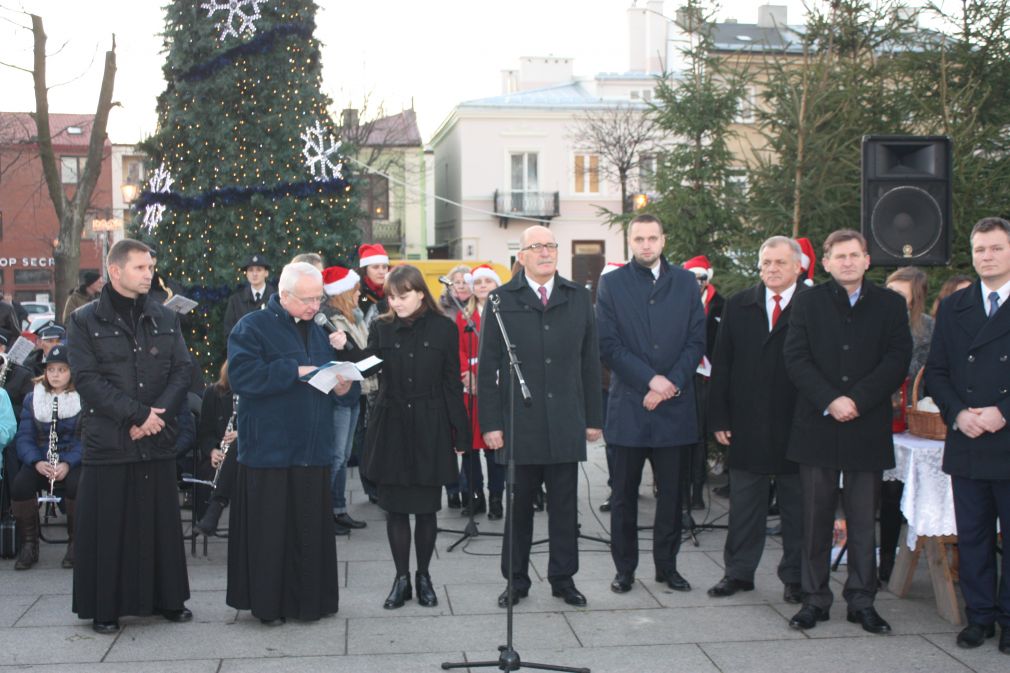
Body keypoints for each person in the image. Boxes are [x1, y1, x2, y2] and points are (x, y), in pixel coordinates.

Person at [782, 229, 911, 634]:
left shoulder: (890, 304)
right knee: (815, 518)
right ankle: (814, 599)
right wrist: (830, 399)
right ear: (828, 261)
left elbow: (897, 358)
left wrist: (857, 399)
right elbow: (796, 357)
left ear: (867, 260)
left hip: (866, 423)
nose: (848, 262)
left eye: (855, 255)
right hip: (818, 424)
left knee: (861, 519)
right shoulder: (808, 302)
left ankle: (861, 600)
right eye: (840, 256)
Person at [67, 238, 194, 635]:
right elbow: (87, 380)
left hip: (156, 439)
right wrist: (137, 415)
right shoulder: (85, 319)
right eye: (140, 267)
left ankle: (168, 600)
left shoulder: (164, 316)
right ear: (115, 270)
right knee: (109, 527)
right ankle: (106, 607)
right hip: (111, 441)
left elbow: (182, 370)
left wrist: (156, 417)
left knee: (160, 524)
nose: (149, 274)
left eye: (151, 267)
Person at [478, 225, 603, 608]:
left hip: (565, 418)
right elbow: (488, 367)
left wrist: (593, 418)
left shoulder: (578, 296)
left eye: (551, 245)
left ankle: (563, 579)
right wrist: (491, 424)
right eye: (537, 247)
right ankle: (516, 580)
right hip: (521, 422)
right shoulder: (500, 300)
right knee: (518, 508)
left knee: (565, 507)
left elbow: (590, 361)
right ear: (522, 256)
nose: (546, 252)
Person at [226, 261, 349, 625]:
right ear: (284, 296)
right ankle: (270, 605)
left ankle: (311, 601)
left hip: (312, 446)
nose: (315, 306)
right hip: (271, 449)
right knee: (272, 531)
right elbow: (243, 377)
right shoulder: (251, 326)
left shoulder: (318, 330)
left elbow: (327, 375)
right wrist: (293, 371)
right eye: (308, 299)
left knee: (309, 527)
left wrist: (341, 384)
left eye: (319, 298)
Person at [596, 215, 706, 594]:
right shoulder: (611, 284)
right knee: (624, 496)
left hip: (675, 408)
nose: (646, 245)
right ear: (630, 241)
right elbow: (608, 344)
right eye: (639, 238)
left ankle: (667, 567)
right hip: (629, 406)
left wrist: (669, 383)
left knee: (672, 495)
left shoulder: (686, 283)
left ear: (663, 240)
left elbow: (696, 340)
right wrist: (650, 380)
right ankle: (624, 569)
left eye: (652, 238)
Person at [358, 265, 469, 608]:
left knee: (425, 509)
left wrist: (460, 433)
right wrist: (343, 352)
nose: (396, 302)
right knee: (395, 510)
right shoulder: (381, 327)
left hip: (430, 426)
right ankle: (401, 578)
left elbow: (452, 383)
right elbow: (367, 367)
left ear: (421, 292)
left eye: (402, 295)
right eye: (391, 296)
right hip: (391, 425)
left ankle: (424, 576)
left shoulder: (444, 329)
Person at [925, 217, 1010, 654]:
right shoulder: (956, 306)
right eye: (980, 250)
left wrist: (1003, 412)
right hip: (968, 436)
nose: (987, 257)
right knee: (973, 535)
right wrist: (958, 414)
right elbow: (936, 372)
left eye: (995, 248)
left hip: (1007, 434)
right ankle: (980, 617)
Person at [707, 236, 806, 603]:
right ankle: (738, 572)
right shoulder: (739, 304)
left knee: (797, 508)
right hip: (747, 423)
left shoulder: (813, 305)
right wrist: (719, 416)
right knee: (745, 505)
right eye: (766, 263)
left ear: (798, 266)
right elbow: (723, 363)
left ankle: (795, 577)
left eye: (780, 263)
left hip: (798, 424)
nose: (772, 270)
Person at [879, 266, 935, 582]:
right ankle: (885, 559)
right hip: (877, 417)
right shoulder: (872, 323)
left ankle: (898, 559)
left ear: (915, 298)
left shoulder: (927, 329)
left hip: (913, 420)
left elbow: (927, 373)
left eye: (901, 294)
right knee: (883, 493)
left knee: (899, 493)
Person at [10, 345, 82, 570]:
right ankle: (29, 545)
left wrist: (68, 463)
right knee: (20, 485)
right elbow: (24, 437)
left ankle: (75, 544)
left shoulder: (83, 399)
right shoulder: (34, 398)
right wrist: (36, 462)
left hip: (72, 461)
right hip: (42, 461)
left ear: (71, 372)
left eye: (61, 370)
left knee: (77, 485)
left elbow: (88, 440)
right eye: (51, 370)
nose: (55, 375)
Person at [320, 265, 369, 535]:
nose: (359, 293)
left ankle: (339, 509)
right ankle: (324, 511)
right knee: (336, 456)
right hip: (339, 392)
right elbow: (346, 354)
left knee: (344, 453)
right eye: (355, 289)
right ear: (342, 293)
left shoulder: (352, 317)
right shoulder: (331, 318)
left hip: (353, 391)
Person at [457, 264, 505, 519]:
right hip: (470, 388)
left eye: (488, 281)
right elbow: (459, 350)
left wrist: (493, 377)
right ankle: (475, 497)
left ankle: (497, 497)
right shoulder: (463, 316)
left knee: (494, 448)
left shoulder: (504, 312)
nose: (483, 285)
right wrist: (467, 376)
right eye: (478, 281)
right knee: (470, 448)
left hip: (496, 385)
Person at [682, 255, 724, 511]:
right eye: (693, 278)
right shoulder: (677, 303)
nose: (698, 283)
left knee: (698, 438)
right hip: (683, 377)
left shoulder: (720, 305)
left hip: (707, 379)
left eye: (702, 278)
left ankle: (697, 490)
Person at [193, 362, 238, 537]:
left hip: (247, 456)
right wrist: (212, 451)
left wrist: (242, 434)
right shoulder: (213, 393)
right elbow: (204, 432)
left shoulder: (255, 394)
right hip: (218, 454)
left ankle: (215, 507)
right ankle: (213, 509)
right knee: (212, 469)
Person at [222, 254, 275, 336]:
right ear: (246, 274)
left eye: (259, 270)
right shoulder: (236, 301)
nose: (254, 274)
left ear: (266, 273)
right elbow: (229, 331)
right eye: (250, 270)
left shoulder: (277, 299)